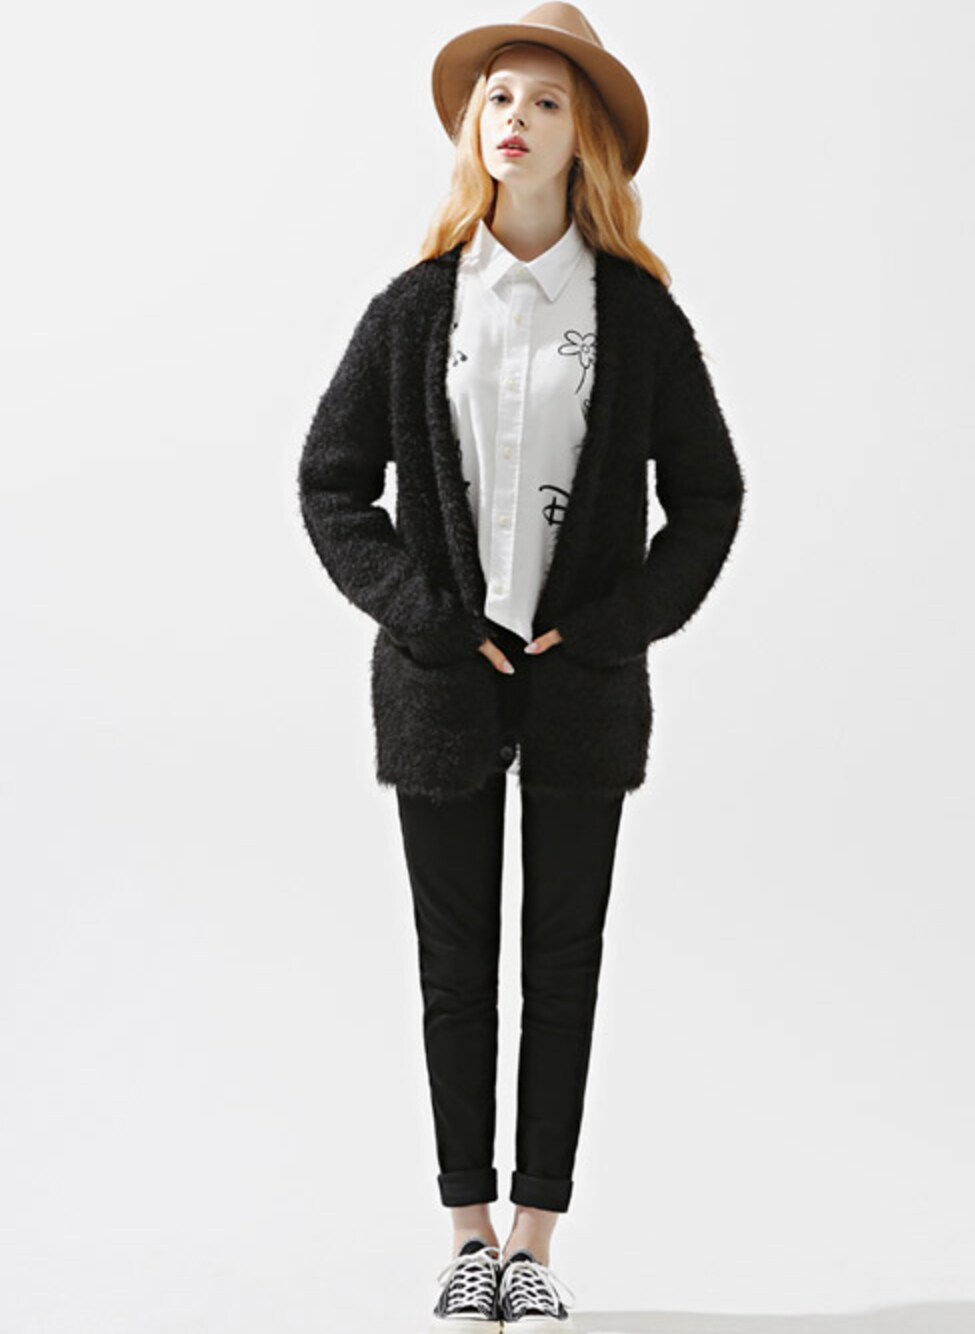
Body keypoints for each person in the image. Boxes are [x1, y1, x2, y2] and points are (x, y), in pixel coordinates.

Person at [297, 4, 746, 1328]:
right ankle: (467, 1234)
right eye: (500, 96)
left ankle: (536, 1240)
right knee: (455, 968)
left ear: (583, 135)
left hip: (581, 691)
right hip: (440, 685)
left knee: (563, 960)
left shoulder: (638, 318)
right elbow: (331, 483)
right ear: (472, 129)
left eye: (547, 101)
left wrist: (613, 625)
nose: (517, 119)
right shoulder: (414, 309)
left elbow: (709, 497)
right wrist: (425, 614)